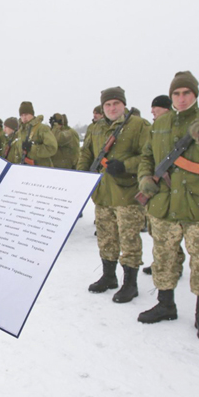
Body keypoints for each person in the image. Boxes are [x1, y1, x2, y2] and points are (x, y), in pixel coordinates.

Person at [137, 71, 199, 342]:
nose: (181, 99)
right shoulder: (161, 123)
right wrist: (145, 177)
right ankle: (165, 304)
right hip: (165, 206)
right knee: (164, 258)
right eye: (176, 94)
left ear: (195, 95)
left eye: (186, 93)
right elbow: (147, 155)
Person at [77, 87, 150, 302]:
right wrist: (82, 176)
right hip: (103, 193)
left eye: (116, 103)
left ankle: (130, 283)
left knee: (129, 239)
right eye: (107, 105)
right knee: (106, 237)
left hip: (126, 193)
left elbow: (148, 156)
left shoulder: (138, 125)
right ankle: (109, 276)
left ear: (124, 104)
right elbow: (86, 153)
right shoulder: (96, 128)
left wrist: (126, 165)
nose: (111, 108)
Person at [143, 94, 180, 276]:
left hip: (175, 192)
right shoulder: (155, 129)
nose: (152, 112)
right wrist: (146, 178)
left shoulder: (176, 127)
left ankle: (174, 264)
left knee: (171, 234)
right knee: (158, 233)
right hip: (157, 190)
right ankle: (161, 261)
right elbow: (146, 157)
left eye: (155, 109)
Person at [17, 101, 58, 167]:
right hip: (25, 168)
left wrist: (32, 148)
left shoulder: (42, 128)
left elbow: (52, 148)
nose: (24, 117)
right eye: (22, 115)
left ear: (32, 114)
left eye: (26, 114)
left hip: (42, 169)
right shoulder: (21, 131)